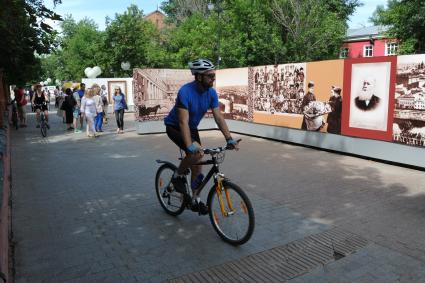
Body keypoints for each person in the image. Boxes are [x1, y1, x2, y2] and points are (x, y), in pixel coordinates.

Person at [164, 58, 239, 214]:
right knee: (196, 153)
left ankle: (195, 199)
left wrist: (229, 138)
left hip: (191, 128)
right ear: (198, 77)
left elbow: (218, 117)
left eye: (214, 75)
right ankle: (178, 176)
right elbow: (183, 122)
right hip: (175, 127)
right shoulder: (185, 91)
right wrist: (191, 147)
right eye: (209, 76)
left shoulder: (211, 93)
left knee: (198, 166)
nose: (213, 78)